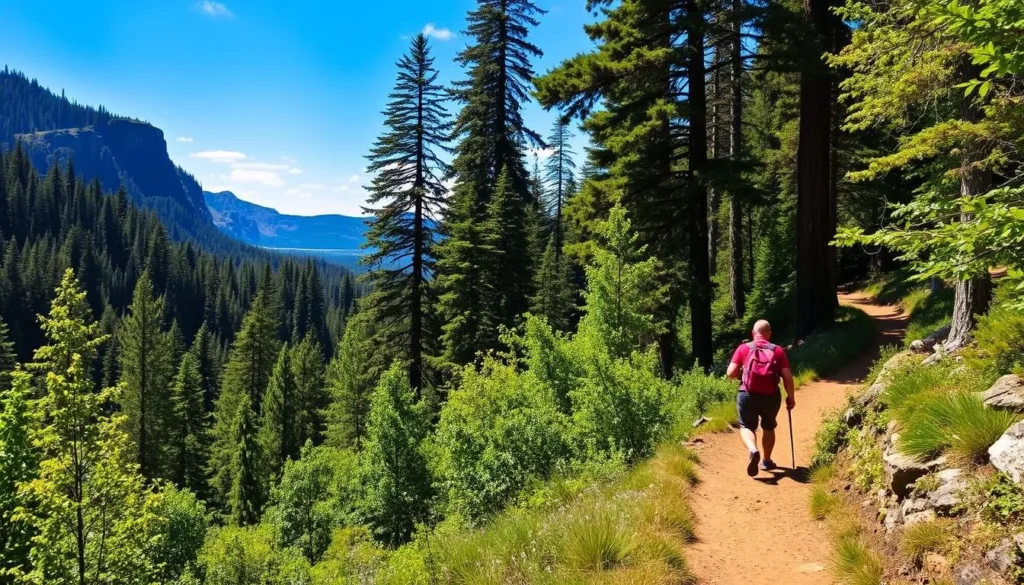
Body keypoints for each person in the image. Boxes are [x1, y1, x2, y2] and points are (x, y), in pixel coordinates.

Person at [726, 319, 795, 477]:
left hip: (747, 394)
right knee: (768, 427)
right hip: (771, 396)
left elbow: (730, 373)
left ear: (753, 333)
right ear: (769, 334)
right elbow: (787, 377)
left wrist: (742, 371)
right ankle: (766, 460)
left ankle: (753, 449)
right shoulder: (777, 351)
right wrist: (790, 397)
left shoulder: (744, 348)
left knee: (746, 426)